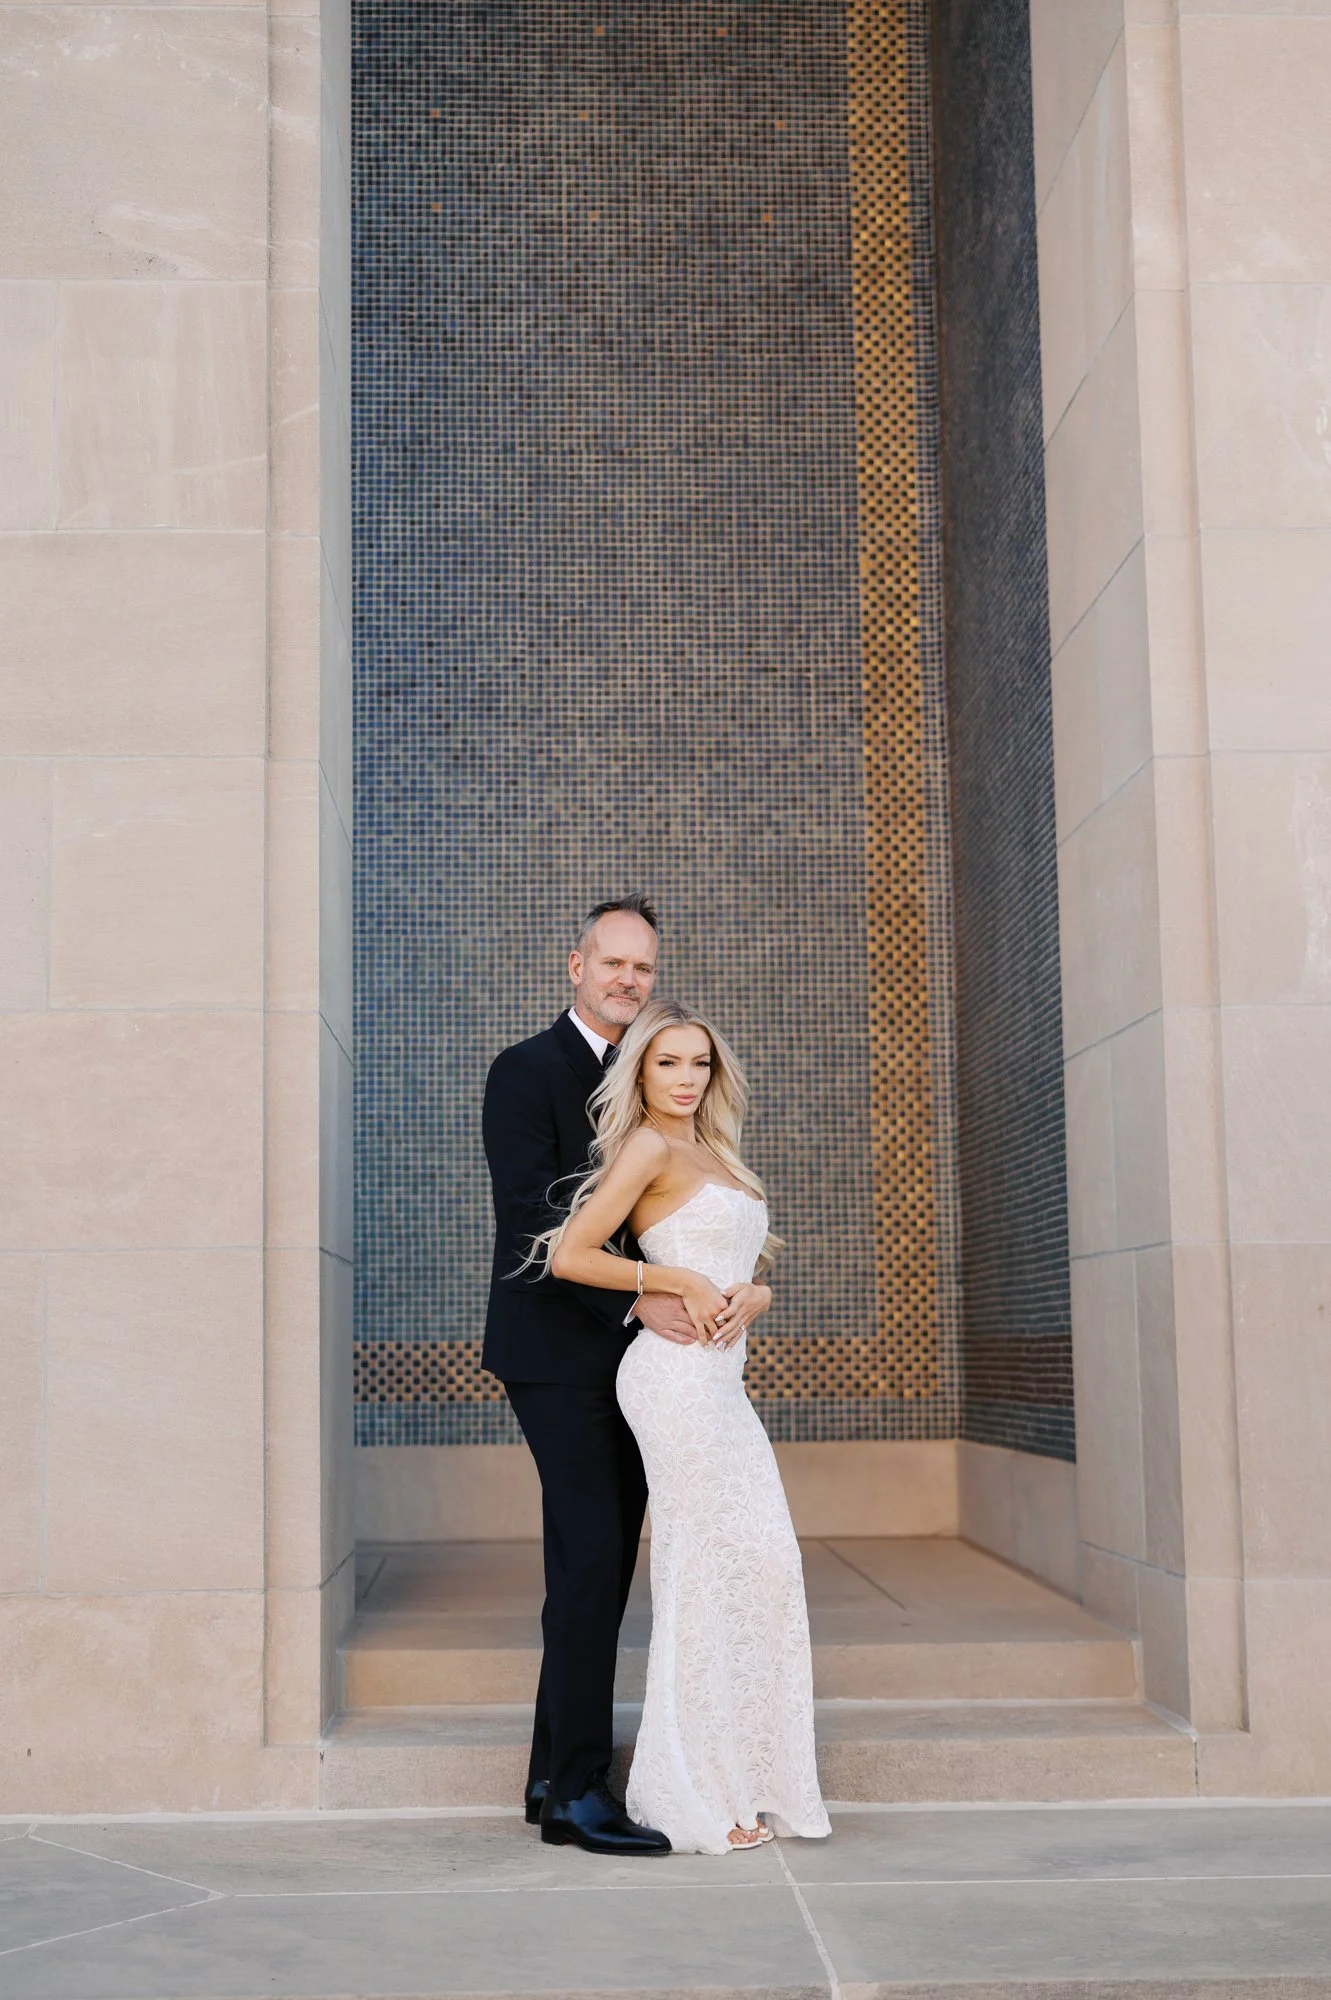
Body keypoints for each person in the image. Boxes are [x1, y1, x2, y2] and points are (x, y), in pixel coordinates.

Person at [536, 998, 831, 1855]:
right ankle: (693, 1792)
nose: (683, 1077)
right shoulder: (648, 1146)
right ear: (642, 1072)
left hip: (719, 1384)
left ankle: (742, 1776)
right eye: (666, 1062)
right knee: (703, 1568)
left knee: (764, 1563)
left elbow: (736, 1258)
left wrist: (754, 1290)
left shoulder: (715, 1150)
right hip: (670, 1381)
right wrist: (670, 1286)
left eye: (697, 1063)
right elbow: (570, 1255)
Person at [482, 894, 695, 1857]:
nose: (627, 980)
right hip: (558, 1354)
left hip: (644, 1363)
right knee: (592, 1560)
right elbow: (533, 1220)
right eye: (611, 963)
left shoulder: (654, 1077)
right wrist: (631, 1303)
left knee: (594, 1568)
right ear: (576, 966)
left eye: (642, 969)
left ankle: (545, 1770)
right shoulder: (525, 1072)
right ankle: (577, 1794)